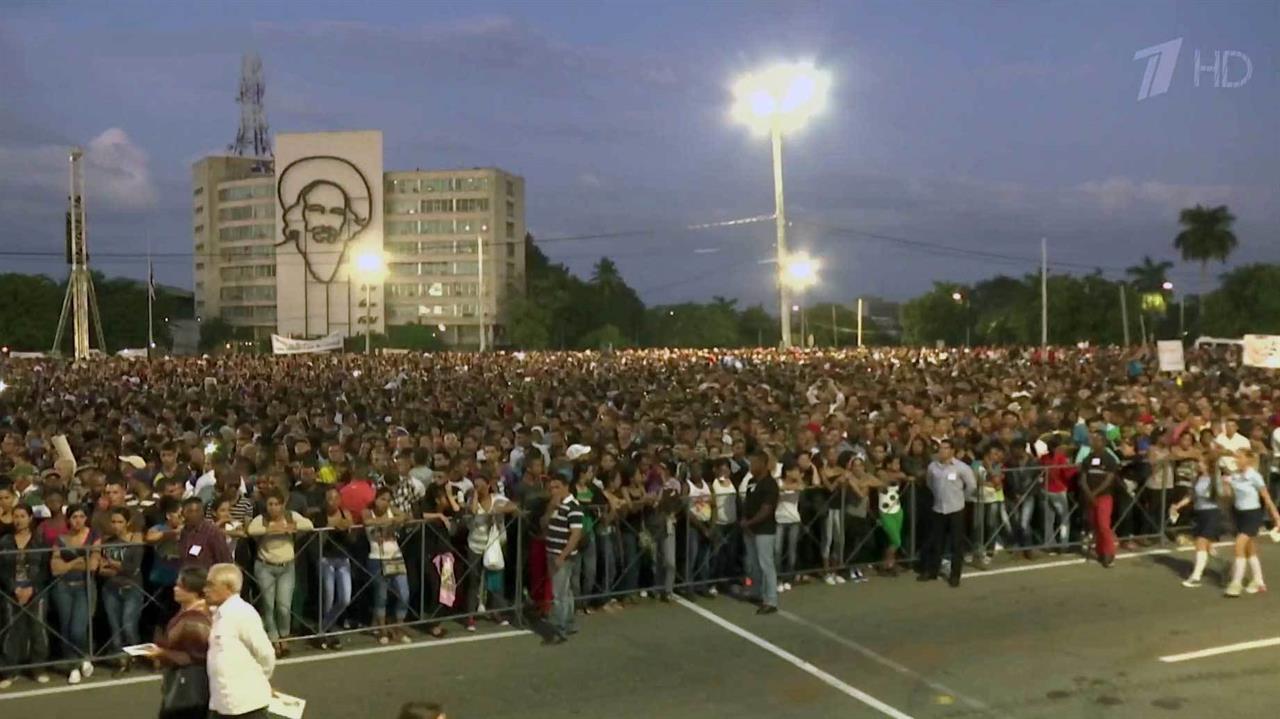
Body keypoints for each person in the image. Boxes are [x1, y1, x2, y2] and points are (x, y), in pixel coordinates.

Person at [247, 488, 313, 657]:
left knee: (284, 606)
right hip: (265, 566)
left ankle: (284, 636)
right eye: (270, 504)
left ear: (283, 505)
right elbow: (251, 530)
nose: (274, 508)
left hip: (286, 567)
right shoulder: (261, 519)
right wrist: (270, 529)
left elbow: (309, 525)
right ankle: (273, 640)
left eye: (277, 504)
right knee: (269, 605)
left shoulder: (291, 516)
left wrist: (290, 526)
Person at [205, 563, 275, 719]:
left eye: (211, 585)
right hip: (221, 704)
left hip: (246, 706)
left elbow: (266, 654)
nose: (205, 590)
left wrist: (258, 680)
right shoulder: (219, 613)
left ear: (228, 588)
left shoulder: (242, 613)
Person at [149, 567, 212, 719]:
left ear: (194, 591)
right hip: (182, 680)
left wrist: (162, 653)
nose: (175, 589)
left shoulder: (195, 619)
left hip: (190, 684)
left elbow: (194, 656)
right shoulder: (185, 611)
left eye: (180, 586)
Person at [0, 503, 51, 687]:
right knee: (11, 630)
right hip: (11, 591)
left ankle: (39, 668)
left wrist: (32, 588)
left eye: (22, 516)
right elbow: (3, 570)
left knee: (38, 628)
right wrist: (14, 588)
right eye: (16, 516)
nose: (18, 520)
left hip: (35, 590)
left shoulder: (40, 541)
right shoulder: (5, 541)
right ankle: (9, 671)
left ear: (30, 518)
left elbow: (45, 570)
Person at [49, 504, 98, 684]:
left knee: (78, 628)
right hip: (63, 587)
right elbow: (55, 569)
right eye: (74, 517)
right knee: (65, 628)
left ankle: (84, 656)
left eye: (81, 516)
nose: (78, 520)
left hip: (84, 585)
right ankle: (74, 666)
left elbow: (92, 565)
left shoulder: (93, 535)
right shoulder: (60, 539)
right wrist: (77, 561)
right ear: (68, 519)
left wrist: (67, 565)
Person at [1223, 450, 1280, 597]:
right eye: (1236, 457)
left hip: (1252, 514)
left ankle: (1236, 583)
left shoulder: (1254, 476)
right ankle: (1259, 581)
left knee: (1239, 545)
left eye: (1239, 457)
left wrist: (1276, 516)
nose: (1236, 460)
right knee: (1250, 549)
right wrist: (1226, 486)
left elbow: (1266, 497)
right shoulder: (1234, 476)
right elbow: (1228, 496)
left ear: (1248, 459)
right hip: (1239, 514)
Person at [920, 439, 975, 587]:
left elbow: (971, 485)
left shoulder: (961, 467)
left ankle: (955, 575)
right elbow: (929, 483)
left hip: (956, 509)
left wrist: (961, 497)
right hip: (938, 508)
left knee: (956, 544)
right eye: (940, 448)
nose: (942, 451)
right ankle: (933, 570)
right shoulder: (933, 467)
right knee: (937, 542)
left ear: (952, 451)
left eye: (945, 448)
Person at [97, 506, 146, 672]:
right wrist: (117, 566)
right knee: (115, 627)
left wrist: (113, 565)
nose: (116, 525)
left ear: (127, 523)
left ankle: (135, 656)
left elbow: (133, 568)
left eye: (120, 522)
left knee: (128, 624)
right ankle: (121, 660)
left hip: (131, 587)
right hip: (110, 588)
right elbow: (101, 569)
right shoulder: (107, 542)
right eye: (113, 522)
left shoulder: (134, 540)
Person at [365, 486, 412, 644]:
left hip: (395, 556)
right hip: (377, 556)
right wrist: (388, 521)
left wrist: (396, 516)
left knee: (404, 593)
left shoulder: (392, 510)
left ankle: (399, 628)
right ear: (376, 498)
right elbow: (367, 521)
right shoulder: (368, 511)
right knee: (381, 595)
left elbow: (406, 516)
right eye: (382, 499)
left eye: (388, 500)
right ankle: (382, 630)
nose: (385, 503)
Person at [1168, 456, 1225, 588]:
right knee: (1207, 546)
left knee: (1201, 542)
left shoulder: (1214, 479)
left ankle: (1196, 576)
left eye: (1201, 462)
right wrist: (1178, 505)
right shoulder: (1198, 478)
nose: (1198, 464)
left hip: (1212, 513)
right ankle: (1225, 566)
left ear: (1208, 465)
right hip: (1200, 514)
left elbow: (1221, 494)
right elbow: (1191, 495)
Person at [542, 474, 583, 644]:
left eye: (557, 487)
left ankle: (559, 629)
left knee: (559, 593)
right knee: (565, 591)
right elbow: (543, 524)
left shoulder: (574, 507)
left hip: (562, 555)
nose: (554, 491)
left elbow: (575, 535)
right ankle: (569, 623)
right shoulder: (554, 506)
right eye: (551, 488)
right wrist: (551, 508)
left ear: (566, 487)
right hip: (551, 551)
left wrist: (562, 556)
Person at [317, 486, 356, 649]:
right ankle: (328, 633)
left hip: (343, 559)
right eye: (329, 499)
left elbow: (353, 539)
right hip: (326, 559)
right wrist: (330, 526)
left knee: (345, 598)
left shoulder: (346, 514)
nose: (332, 502)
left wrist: (347, 528)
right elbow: (319, 541)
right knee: (328, 598)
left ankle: (323, 628)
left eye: (335, 498)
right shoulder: (320, 516)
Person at [740, 451, 779, 614]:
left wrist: (749, 522)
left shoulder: (770, 484)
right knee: (754, 565)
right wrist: (745, 521)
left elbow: (767, 509)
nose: (751, 466)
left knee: (766, 565)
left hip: (764, 530)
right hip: (751, 529)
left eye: (754, 463)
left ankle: (771, 600)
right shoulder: (751, 481)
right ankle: (757, 592)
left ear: (763, 464)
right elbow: (747, 503)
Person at [1079, 433, 1119, 568]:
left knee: (1103, 525)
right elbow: (1083, 478)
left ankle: (1109, 553)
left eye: (1097, 440)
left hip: (1104, 496)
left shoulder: (1109, 459)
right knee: (1095, 525)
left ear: (1103, 442)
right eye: (1093, 440)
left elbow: (1109, 478)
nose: (1094, 442)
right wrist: (1088, 493)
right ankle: (1100, 550)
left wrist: (1095, 493)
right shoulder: (1087, 459)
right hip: (1090, 497)